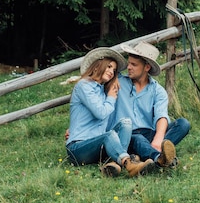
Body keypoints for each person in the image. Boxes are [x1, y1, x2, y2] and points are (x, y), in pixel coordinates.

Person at [65, 47, 156, 177]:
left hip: (97, 147)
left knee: (126, 122)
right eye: (108, 67)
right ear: (97, 66)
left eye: (113, 70)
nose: (111, 72)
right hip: (78, 148)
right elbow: (101, 113)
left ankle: (115, 164)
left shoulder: (102, 90)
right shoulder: (83, 86)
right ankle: (128, 164)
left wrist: (114, 84)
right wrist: (112, 97)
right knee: (109, 135)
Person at [108, 41, 191, 170]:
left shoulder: (158, 90)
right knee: (138, 138)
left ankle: (146, 155)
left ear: (147, 67)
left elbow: (161, 116)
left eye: (134, 65)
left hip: (149, 134)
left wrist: (158, 139)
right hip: (126, 136)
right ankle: (159, 158)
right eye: (129, 63)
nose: (129, 67)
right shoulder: (118, 82)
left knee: (183, 124)